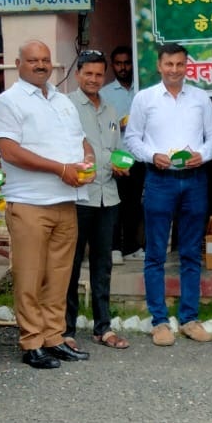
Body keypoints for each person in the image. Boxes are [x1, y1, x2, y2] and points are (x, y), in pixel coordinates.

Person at [0, 40, 95, 368]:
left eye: (45, 60)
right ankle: (32, 342)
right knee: (30, 276)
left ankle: (54, 337)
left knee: (60, 276)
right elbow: (9, 151)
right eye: (33, 60)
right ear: (18, 64)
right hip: (30, 202)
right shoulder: (8, 102)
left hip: (66, 201)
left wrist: (88, 160)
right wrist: (60, 169)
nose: (40, 65)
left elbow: (80, 140)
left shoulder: (62, 101)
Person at [123, 42, 212, 346]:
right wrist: (152, 155)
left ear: (187, 66)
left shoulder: (200, 98)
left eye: (180, 64)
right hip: (159, 179)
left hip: (194, 179)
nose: (175, 70)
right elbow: (132, 138)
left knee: (191, 252)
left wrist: (203, 154)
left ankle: (190, 318)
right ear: (159, 66)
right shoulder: (145, 98)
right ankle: (160, 321)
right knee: (155, 253)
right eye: (169, 64)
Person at [67, 50, 130, 350]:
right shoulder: (65, 107)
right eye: (88, 73)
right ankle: (66, 330)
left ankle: (102, 327)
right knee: (70, 265)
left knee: (103, 265)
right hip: (78, 197)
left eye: (98, 74)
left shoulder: (110, 109)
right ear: (78, 74)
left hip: (108, 196)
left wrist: (121, 164)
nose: (93, 79)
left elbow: (116, 149)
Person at [101, 45, 144, 262]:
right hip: (117, 157)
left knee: (134, 205)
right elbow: (103, 126)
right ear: (112, 66)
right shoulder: (105, 93)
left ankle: (131, 247)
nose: (123, 67)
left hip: (139, 156)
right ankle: (114, 248)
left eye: (127, 63)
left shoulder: (144, 90)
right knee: (114, 204)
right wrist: (117, 125)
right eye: (118, 63)